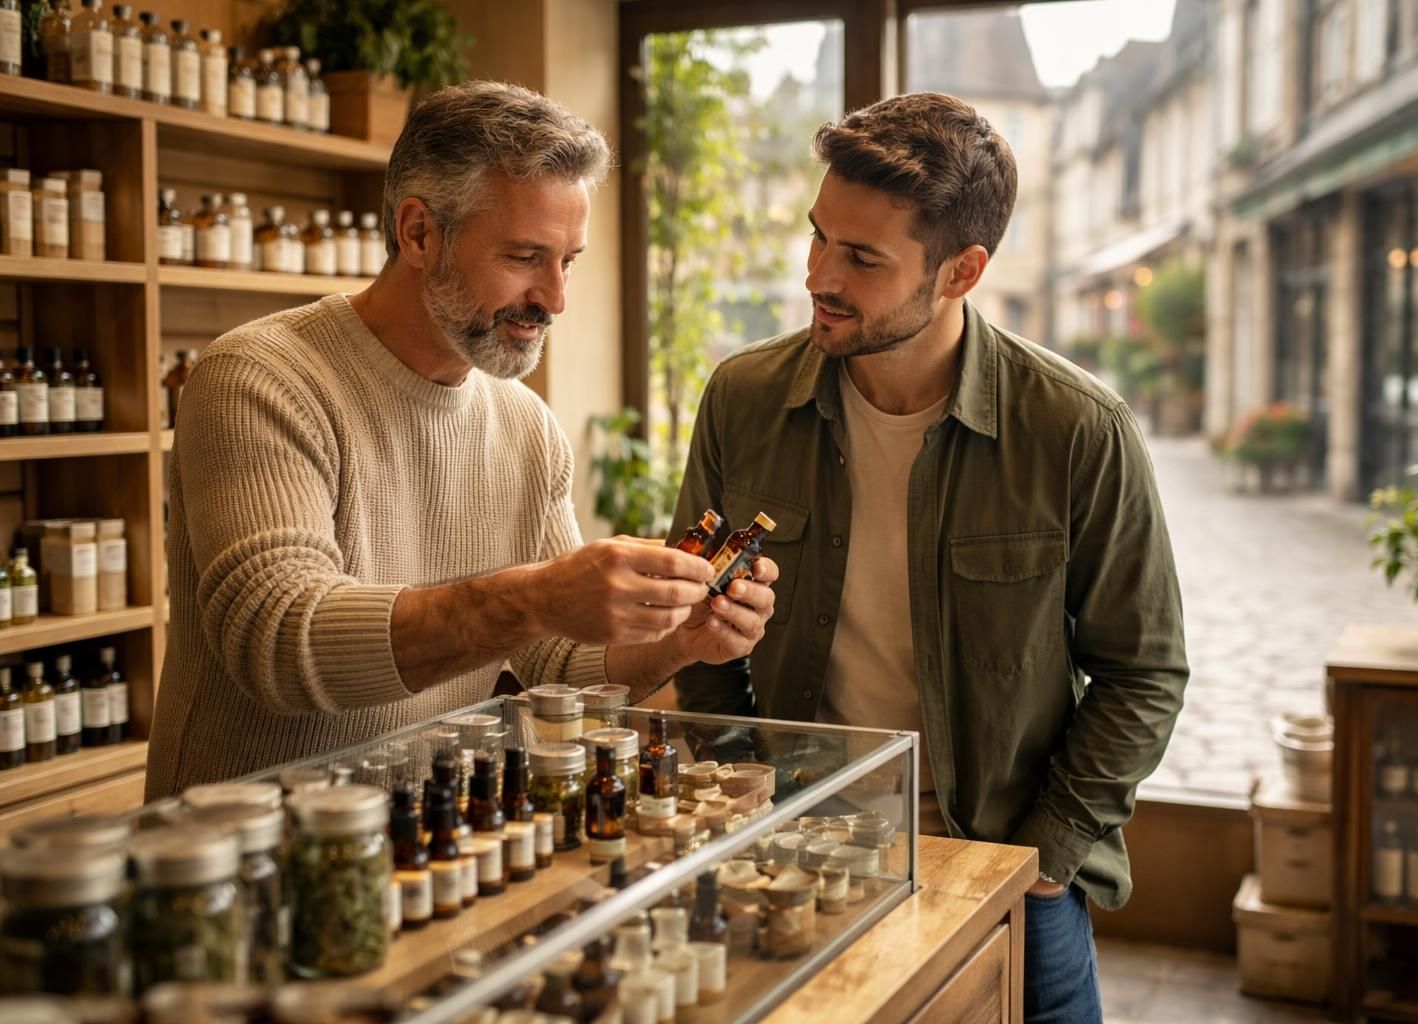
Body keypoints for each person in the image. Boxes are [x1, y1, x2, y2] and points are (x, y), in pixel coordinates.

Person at [669, 92, 1188, 1022]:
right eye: (820, 236)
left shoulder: (1077, 429)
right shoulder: (742, 400)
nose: (818, 274)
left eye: (862, 257)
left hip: (1007, 869)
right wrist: (744, 783)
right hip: (796, 851)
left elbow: (1142, 670)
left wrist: (1044, 856)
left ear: (962, 270)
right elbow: (701, 626)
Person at [146, 82, 776, 798]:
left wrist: (676, 641)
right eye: (524, 257)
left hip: (429, 848)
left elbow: (556, 662)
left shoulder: (524, 425)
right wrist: (532, 596)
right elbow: (281, 641)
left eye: (567, 260)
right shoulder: (260, 378)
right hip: (237, 862)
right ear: (418, 234)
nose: (555, 298)